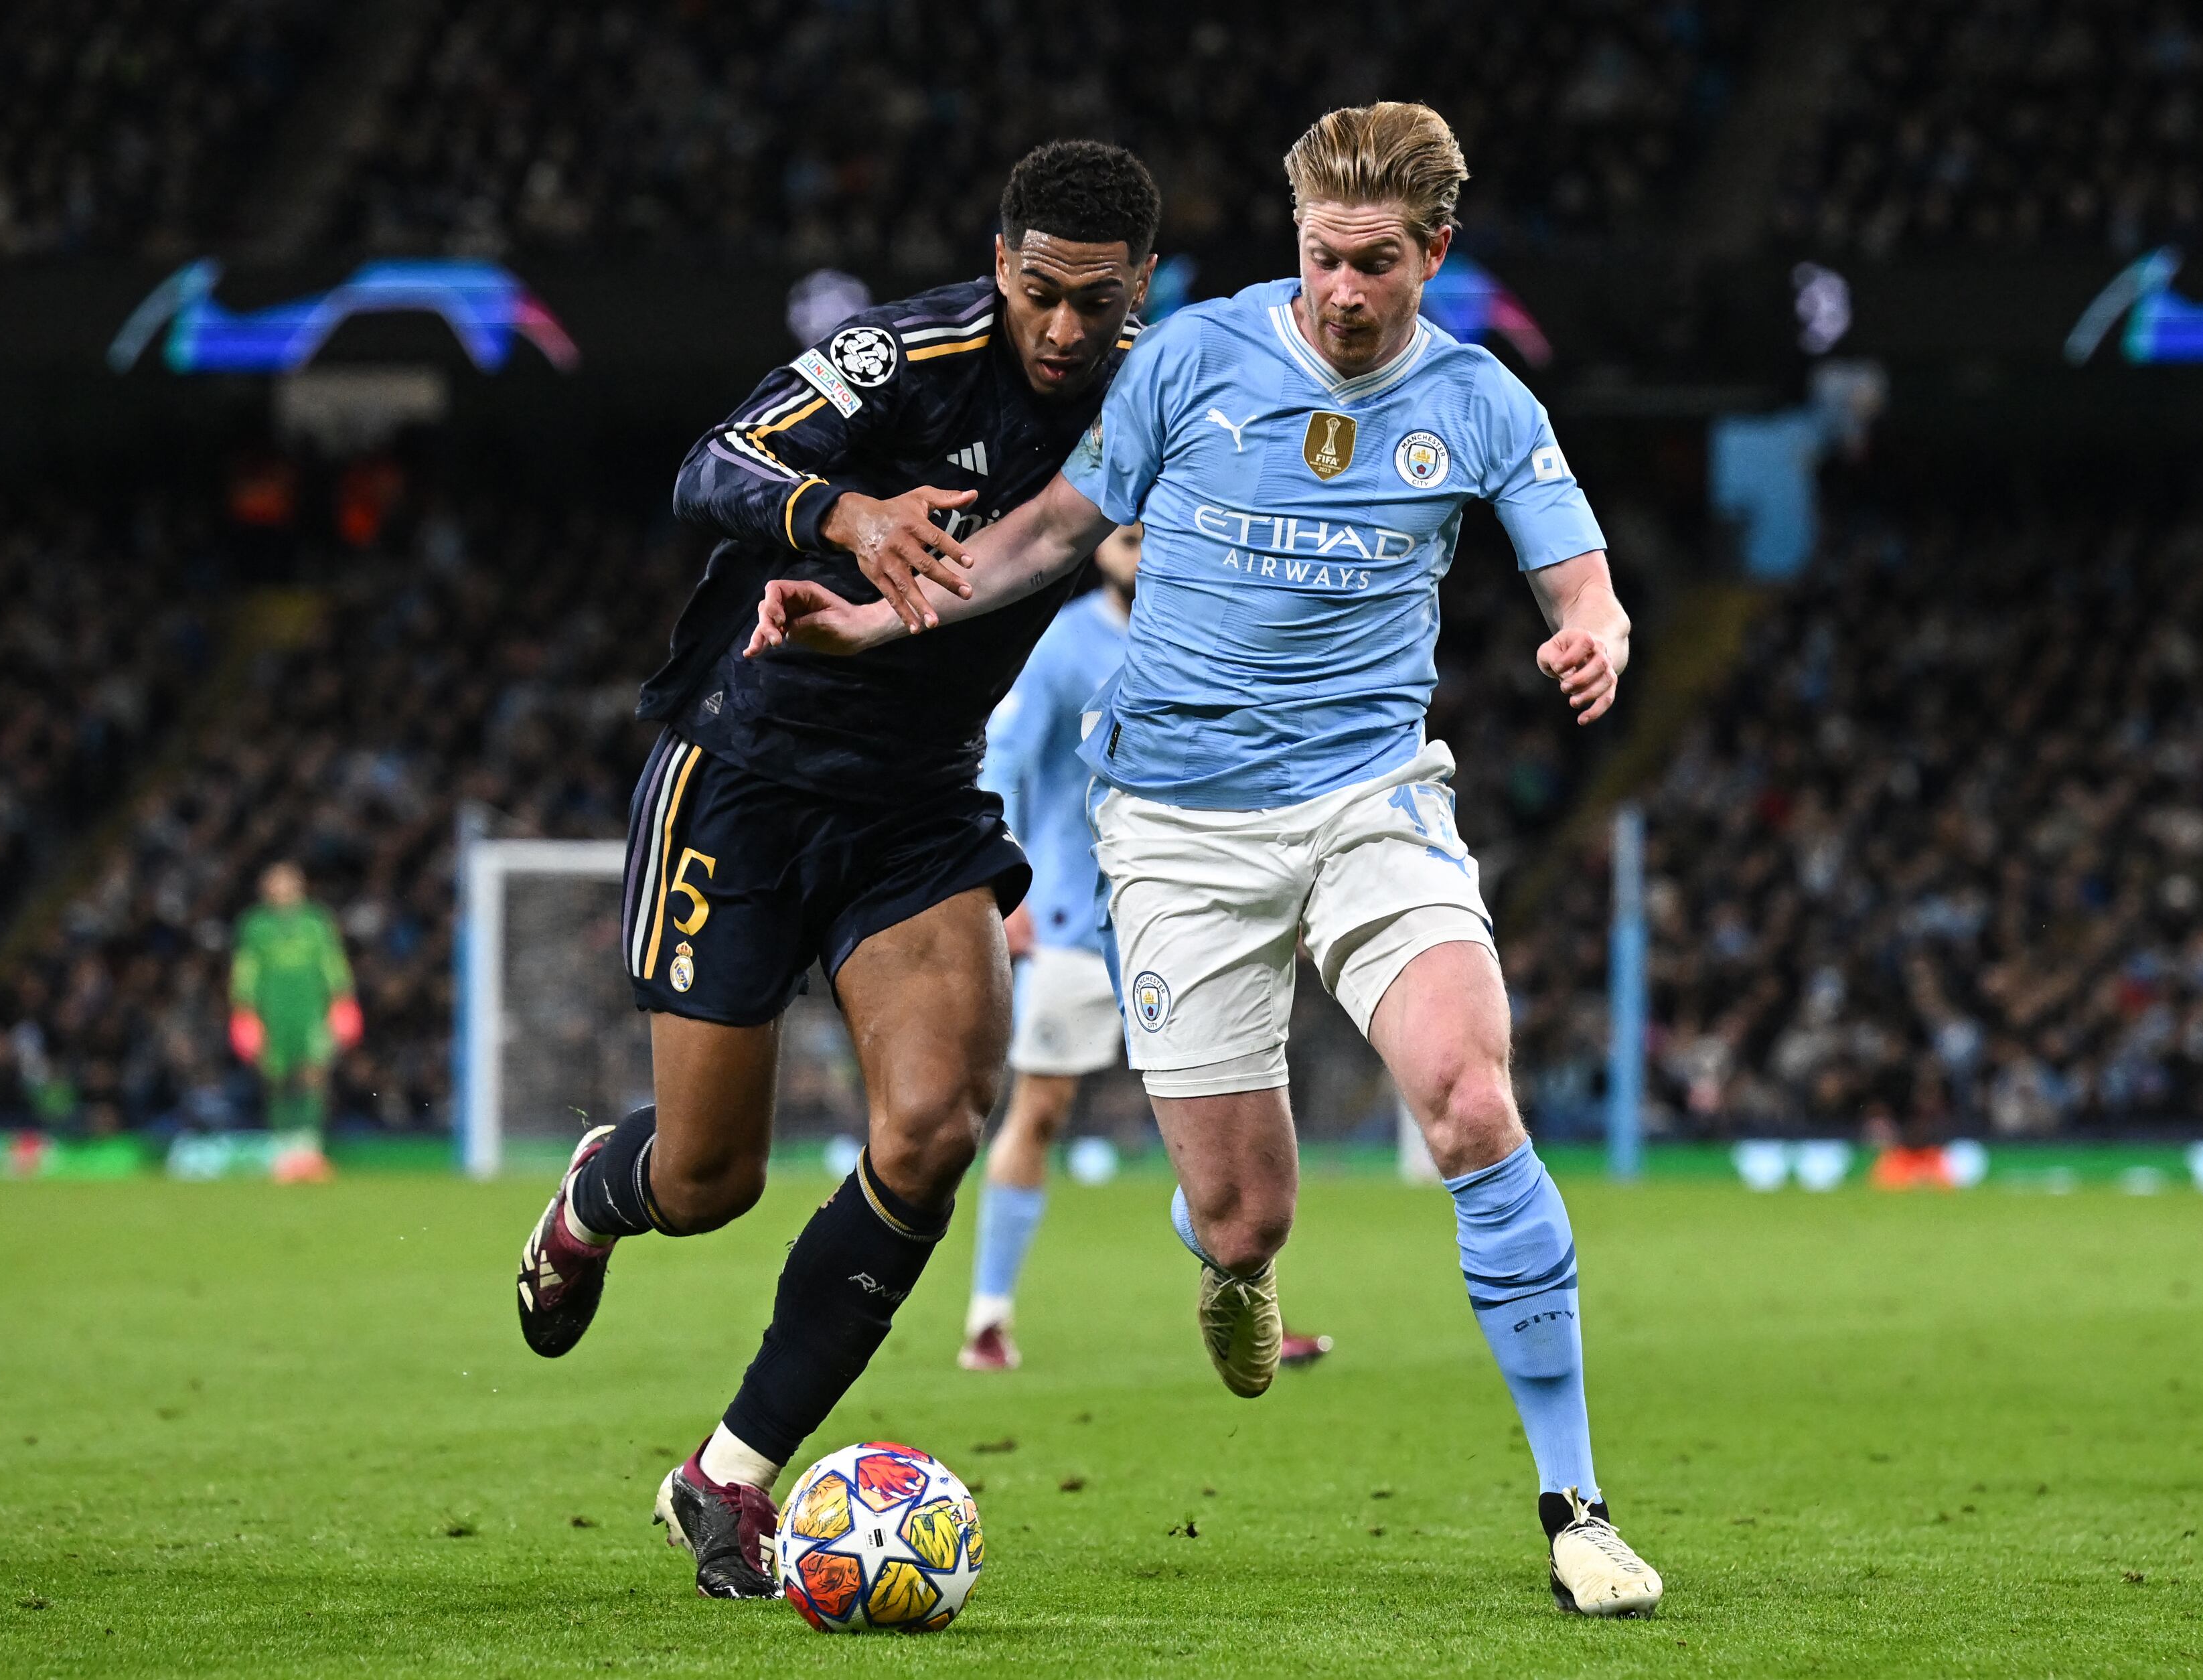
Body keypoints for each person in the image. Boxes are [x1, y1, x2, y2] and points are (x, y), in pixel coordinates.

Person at [748, 103, 1663, 1616]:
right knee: (1244, 1214)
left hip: (1371, 798)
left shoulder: (1481, 402)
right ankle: (1230, 1267)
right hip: (1174, 827)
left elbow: (1581, 578)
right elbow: (1047, 534)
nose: (1342, 290)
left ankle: (1575, 1505)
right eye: (1321, 257)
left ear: (1433, 252)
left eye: (1375, 262)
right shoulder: (1188, 357)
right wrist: (867, 616)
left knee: (1468, 1094)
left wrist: (1596, 633)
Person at [512, 140, 1161, 1600]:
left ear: (1142, 288)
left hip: (917, 797)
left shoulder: (1150, 394)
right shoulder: (905, 355)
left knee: (933, 1127)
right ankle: (595, 1195)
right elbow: (710, 465)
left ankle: (727, 1475)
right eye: (1041, 292)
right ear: (998, 265)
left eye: (1099, 301)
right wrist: (851, 515)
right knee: (708, 1179)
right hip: (742, 767)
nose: (1065, 328)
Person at [958, 520, 1332, 1376]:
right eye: (1122, 528)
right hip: (1073, 914)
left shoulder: (1211, 635)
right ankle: (987, 1317)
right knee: (1038, 1111)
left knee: (1223, 1121)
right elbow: (1002, 762)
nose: (1136, 540)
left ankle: (1255, 1304)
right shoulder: (1061, 644)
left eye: (1150, 527)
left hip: (1186, 916)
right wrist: (1001, 879)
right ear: (1097, 543)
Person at [228, 861, 360, 1184]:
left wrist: (343, 999)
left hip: (311, 1012)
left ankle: (310, 1152)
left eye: (288, 883)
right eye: (276, 883)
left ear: (300, 887)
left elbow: (332, 962)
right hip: (272, 1013)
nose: (282, 889)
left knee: (313, 1076)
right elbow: (246, 968)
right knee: (277, 1079)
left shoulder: (316, 922)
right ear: (265, 889)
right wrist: (243, 1009)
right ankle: (284, 1154)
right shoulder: (255, 925)